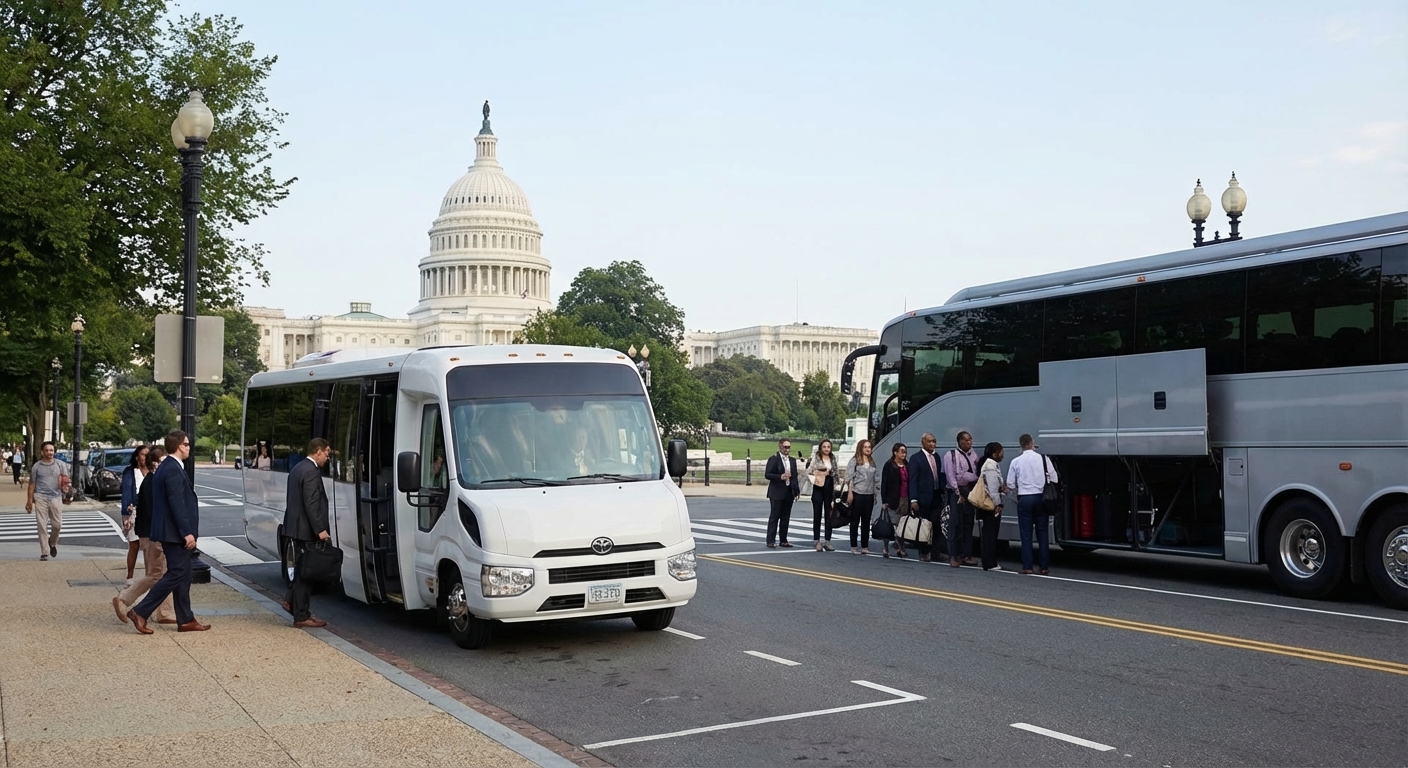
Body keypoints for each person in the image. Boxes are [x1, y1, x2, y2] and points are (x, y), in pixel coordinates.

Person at [126, 430, 209, 634]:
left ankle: (186, 619)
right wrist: (186, 532)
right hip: (174, 532)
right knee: (176, 573)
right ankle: (140, 611)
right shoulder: (172, 468)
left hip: (169, 531)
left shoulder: (167, 467)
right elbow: (176, 504)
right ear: (180, 446)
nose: (189, 448)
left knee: (184, 574)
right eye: (187, 444)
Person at [113, 447, 175, 625]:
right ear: (158, 462)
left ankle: (164, 612)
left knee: (163, 574)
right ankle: (124, 599)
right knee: (156, 574)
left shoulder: (150, 480)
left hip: (147, 532)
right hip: (154, 534)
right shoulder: (155, 481)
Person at [284, 438, 332, 628]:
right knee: (307, 573)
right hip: (306, 530)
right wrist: (320, 530)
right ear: (318, 451)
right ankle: (301, 615)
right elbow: (311, 503)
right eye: (327, 453)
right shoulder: (311, 472)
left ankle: (292, 603)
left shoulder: (298, 468)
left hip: (296, 527)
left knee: (302, 570)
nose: (328, 457)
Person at [1006, 434, 1057, 575]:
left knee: (1026, 534)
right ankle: (1044, 566)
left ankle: (1027, 566)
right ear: (1032, 443)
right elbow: (1054, 478)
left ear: (1021, 445)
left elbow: (1010, 484)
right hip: (1041, 498)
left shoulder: (1016, 461)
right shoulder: (1043, 459)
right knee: (1042, 533)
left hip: (1025, 498)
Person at [942, 431, 981, 568]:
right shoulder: (951, 455)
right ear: (959, 441)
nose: (969, 442)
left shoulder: (973, 454)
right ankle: (953, 555)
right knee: (955, 524)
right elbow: (952, 476)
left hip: (970, 492)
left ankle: (966, 554)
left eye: (970, 439)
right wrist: (958, 493)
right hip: (956, 493)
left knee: (968, 524)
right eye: (966, 440)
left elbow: (975, 473)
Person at [25, 441, 69, 561]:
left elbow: (66, 482)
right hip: (40, 497)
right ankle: (44, 552)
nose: (49, 453)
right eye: (47, 450)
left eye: (51, 450)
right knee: (41, 525)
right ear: (42, 452)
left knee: (57, 525)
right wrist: (29, 500)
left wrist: (67, 495)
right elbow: (32, 484)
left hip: (56, 497)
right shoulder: (37, 467)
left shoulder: (61, 465)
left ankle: (52, 543)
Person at [906, 432, 945, 562]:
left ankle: (935, 553)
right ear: (923, 442)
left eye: (934, 441)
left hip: (935, 495)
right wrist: (914, 499)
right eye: (929, 441)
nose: (932, 444)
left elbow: (939, 475)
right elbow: (913, 480)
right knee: (924, 525)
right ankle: (923, 551)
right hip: (923, 497)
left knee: (936, 525)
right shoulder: (916, 458)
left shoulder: (936, 457)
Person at [118, 445, 151, 585]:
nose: (146, 457)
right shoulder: (130, 472)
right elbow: (126, 491)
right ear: (137, 457)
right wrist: (128, 512)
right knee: (134, 544)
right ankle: (129, 576)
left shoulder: (153, 472)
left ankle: (150, 575)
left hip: (148, 511)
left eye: (147, 454)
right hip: (133, 510)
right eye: (143, 454)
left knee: (149, 545)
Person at [763, 438, 800, 548]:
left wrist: (796, 491)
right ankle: (770, 540)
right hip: (776, 492)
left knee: (785, 517)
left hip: (788, 492)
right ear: (780, 446)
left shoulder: (792, 461)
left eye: (788, 447)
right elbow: (767, 474)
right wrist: (780, 477)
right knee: (774, 517)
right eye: (785, 447)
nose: (787, 449)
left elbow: (795, 477)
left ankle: (783, 540)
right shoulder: (774, 459)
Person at [976, 441, 1007, 571]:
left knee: (990, 534)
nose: (1002, 455)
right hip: (990, 505)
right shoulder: (990, 466)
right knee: (990, 534)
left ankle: (989, 561)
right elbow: (993, 489)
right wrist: (998, 504)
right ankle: (989, 562)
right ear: (994, 454)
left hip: (989, 504)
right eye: (1001, 452)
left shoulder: (988, 464)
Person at [844, 440, 879, 555]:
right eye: (865, 447)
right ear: (861, 448)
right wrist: (850, 493)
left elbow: (876, 479)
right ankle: (854, 545)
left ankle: (865, 545)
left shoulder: (872, 462)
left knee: (866, 521)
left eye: (869, 447)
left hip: (868, 494)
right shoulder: (855, 461)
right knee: (854, 521)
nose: (867, 449)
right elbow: (849, 477)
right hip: (857, 493)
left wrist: (875, 494)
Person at [878, 443, 909, 558]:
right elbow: (884, 484)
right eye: (901, 451)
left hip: (905, 498)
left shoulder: (906, 465)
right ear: (895, 452)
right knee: (890, 524)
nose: (903, 454)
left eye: (905, 451)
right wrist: (884, 501)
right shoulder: (889, 465)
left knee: (902, 525)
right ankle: (886, 548)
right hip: (893, 498)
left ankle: (901, 547)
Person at [809, 439, 838, 552]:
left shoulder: (833, 458)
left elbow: (835, 473)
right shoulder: (816, 458)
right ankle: (817, 541)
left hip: (829, 486)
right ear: (821, 448)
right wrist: (821, 472)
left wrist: (830, 474)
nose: (826, 449)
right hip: (818, 486)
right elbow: (810, 470)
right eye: (824, 447)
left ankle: (828, 540)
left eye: (828, 447)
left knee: (829, 515)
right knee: (817, 514)